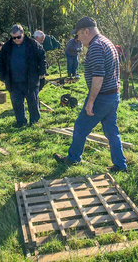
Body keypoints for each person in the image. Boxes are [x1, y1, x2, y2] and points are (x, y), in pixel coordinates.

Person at [53, 17, 127, 172]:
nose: (77, 39)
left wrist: (91, 101)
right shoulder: (107, 42)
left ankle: (73, 159)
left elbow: (98, 77)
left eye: (78, 35)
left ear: (86, 31)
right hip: (113, 95)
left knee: (80, 126)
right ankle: (120, 165)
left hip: (102, 96)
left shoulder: (96, 47)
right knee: (111, 131)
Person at [0, 24, 47, 127]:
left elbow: (42, 57)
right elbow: (0, 62)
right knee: (17, 103)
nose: (16, 39)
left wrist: (42, 71)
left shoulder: (32, 44)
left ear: (23, 34)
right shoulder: (7, 46)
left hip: (30, 79)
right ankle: (21, 122)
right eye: (14, 37)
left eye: (18, 37)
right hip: (13, 81)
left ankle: (35, 122)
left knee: (33, 102)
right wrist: (2, 76)